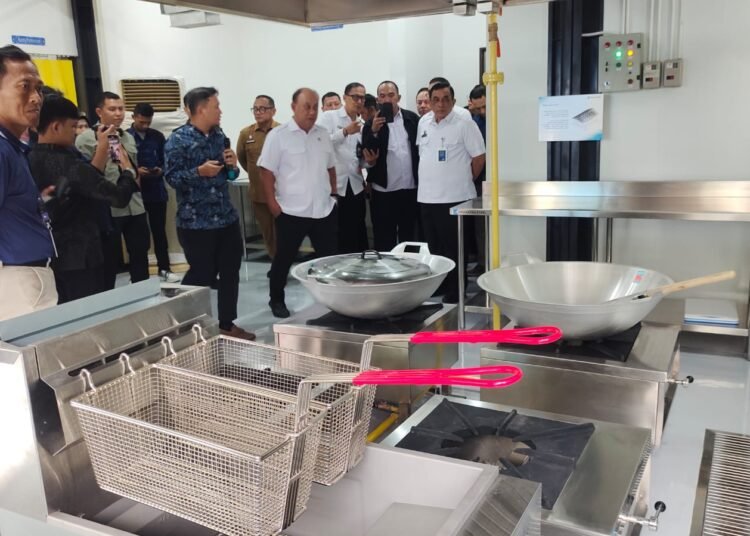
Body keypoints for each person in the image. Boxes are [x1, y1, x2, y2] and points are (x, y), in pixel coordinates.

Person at [165, 87, 255, 340]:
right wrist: (198, 172)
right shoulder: (177, 140)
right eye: (216, 106)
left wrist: (233, 166)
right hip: (196, 223)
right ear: (201, 109)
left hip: (225, 218)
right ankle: (185, 325)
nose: (220, 111)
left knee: (230, 272)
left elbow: (230, 175)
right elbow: (171, 178)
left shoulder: (219, 136)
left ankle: (227, 324)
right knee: (201, 275)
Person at [29, 97, 140, 303]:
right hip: (81, 253)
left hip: (49, 252)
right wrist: (128, 172)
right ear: (56, 126)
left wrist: (102, 151)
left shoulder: (29, 156)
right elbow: (118, 197)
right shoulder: (67, 162)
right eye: (73, 126)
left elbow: (83, 184)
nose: (76, 132)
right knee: (89, 309)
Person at [259, 88, 338, 319]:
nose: (311, 112)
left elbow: (331, 167)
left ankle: (334, 301)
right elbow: (266, 171)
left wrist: (334, 195)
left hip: (323, 209)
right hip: (291, 211)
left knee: (329, 260)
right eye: (306, 107)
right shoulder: (278, 136)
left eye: (314, 107)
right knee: (283, 259)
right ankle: (276, 299)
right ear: (293, 107)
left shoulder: (323, 134)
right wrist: (272, 204)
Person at [0, 45, 57, 320]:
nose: (36, 98)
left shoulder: (13, 148)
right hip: (16, 283)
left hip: (28, 277)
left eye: (39, 89)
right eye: (24, 87)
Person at [417, 82, 485, 303]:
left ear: (453, 101)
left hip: (455, 197)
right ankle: (441, 284)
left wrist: (464, 179)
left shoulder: (465, 124)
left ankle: (457, 290)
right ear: (430, 102)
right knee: (435, 247)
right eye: (435, 99)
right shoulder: (423, 122)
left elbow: (479, 158)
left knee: (455, 248)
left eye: (446, 99)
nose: (441, 104)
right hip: (427, 196)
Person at [76, 91, 150, 289]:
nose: (118, 113)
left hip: (134, 205)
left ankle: (143, 295)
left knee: (140, 253)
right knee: (108, 260)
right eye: (112, 109)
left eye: (121, 109)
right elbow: (86, 176)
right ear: (99, 111)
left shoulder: (128, 137)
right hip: (108, 208)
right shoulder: (85, 139)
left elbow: (133, 168)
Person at [361, 80, 420, 251]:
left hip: (410, 188)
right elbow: (368, 154)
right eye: (382, 96)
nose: (387, 99)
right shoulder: (370, 123)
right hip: (384, 190)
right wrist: (373, 131)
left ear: (398, 97)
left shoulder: (412, 119)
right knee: (384, 236)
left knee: (409, 236)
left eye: (391, 95)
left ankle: (410, 266)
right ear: (378, 99)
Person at [127, 102, 180, 283]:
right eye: (141, 122)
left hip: (157, 191)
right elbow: (121, 163)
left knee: (160, 233)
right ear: (134, 117)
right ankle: (138, 276)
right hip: (136, 194)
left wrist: (160, 170)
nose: (145, 125)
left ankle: (164, 268)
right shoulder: (125, 137)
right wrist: (136, 171)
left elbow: (166, 160)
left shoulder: (157, 136)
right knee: (138, 238)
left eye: (148, 122)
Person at [319, 82, 369, 253]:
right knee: (337, 233)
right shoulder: (330, 117)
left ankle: (358, 266)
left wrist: (369, 161)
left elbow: (358, 158)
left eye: (362, 98)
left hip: (355, 184)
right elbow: (320, 143)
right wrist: (345, 132)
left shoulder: (362, 124)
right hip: (334, 186)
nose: (359, 101)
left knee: (357, 231)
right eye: (355, 97)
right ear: (345, 98)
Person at [236, 95, 280, 260]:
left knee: (283, 232)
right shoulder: (246, 133)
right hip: (259, 194)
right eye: (255, 109)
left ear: (273, 111)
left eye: (262, 108)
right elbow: (243, 160)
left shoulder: (282, 132)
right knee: (267, 233)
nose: (258, 112)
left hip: (281, 194)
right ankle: (275, 263)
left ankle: (285, 261)